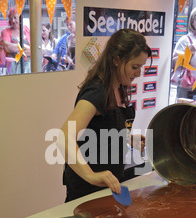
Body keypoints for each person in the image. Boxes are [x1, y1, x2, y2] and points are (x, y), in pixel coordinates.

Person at [58, 29, 151, 202]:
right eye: (135, 67)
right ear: (117, 60)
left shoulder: (118, 88)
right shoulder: (98, 91)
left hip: (109, 187)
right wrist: (91, 175)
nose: (138, 73)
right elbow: (64, 137)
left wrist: (126, 138)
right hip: (87, 191)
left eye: (141, 67)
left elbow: (101, 128)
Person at [0, 7, 31, 74]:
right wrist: (25, 47)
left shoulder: (27, 30)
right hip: (12, 68)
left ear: (20, 17)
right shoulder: (5, 31)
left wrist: (16, 49)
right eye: (11, 19)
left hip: (28, 68)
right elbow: (7, 47)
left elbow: (34, 51)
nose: (13, 21)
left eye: (15, 17)